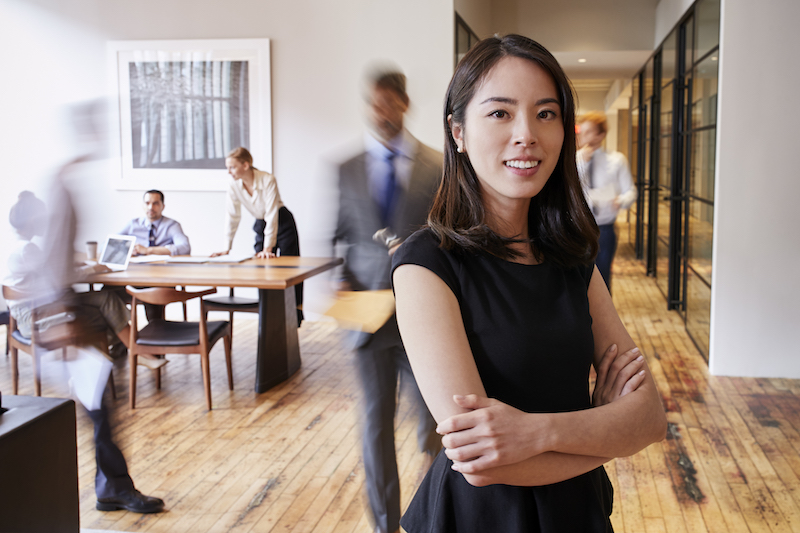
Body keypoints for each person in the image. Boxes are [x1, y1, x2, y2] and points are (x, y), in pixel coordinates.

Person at [391, 35, 666, 532]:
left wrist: (534, 433)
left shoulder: (572, 255)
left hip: (576, 514)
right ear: (458, 131)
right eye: (500, 113)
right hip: (480, 518)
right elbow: (484, 462)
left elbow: (650, 419)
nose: (527, 134)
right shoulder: (426, 263)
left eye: (546, 113)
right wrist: (607, 432)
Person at [4, 189, 164, 514]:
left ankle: (112, 487)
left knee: (100, 409)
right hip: (49, 323)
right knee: (98, 410)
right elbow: (59, 280)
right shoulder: (28, 250)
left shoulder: (29, 247)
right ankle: (113, 488)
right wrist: (90, 271)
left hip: (61, 321)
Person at [333, 68, 442, 533]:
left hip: (424, 317)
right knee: (375, 425)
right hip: (365, 319)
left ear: (404, 103)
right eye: (373, 103)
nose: (381, 112)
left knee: (435, 424)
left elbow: (450, 236)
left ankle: (435, 512)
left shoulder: (437, 166)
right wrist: (341, 290)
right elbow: (339, 237)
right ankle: (385, 525)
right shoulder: (346, 168)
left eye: (388, 103)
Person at [211, 147, 303, 324]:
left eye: (232, 167)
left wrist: (268, 247)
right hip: (260, 223)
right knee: (261, 270)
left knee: (290, 271)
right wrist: (226, 247)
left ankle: (294, 318)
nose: (229, 172)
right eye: (227, 167)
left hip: (281, 220)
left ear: (246, 165)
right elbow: (232, 216)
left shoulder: (267, 179)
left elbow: (271, 214)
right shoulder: (233, 185)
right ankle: (269, 315)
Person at [576, 111, 636, 292]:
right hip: (577, 228)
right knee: (575, 278)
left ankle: (602, 319)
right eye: (581, 132)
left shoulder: (617, 160)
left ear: (601, 135)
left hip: (604, 229)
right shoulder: (572, 159)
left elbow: (631, 191)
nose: (583, 136)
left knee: (602, 279)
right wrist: (582, 164)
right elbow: (568, 188)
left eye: (588, 132)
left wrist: (621, 200)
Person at [119, 190, 191, 256]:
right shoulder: (133, 224)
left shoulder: (172, 225)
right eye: (147, 203)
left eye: (155, 203)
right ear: (143, 205)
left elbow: (185, 247)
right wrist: (128, 248)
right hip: (136, 265)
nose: (150, 207)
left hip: (162, 266)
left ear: (163, 206)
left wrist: (148, 250)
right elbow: (113, 243)